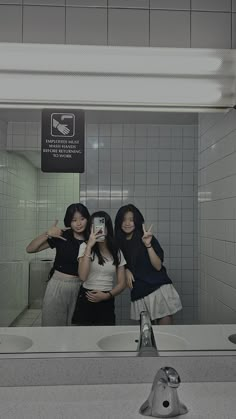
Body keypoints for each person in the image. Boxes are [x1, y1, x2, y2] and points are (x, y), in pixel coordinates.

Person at [114, 204, 182, 325]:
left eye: (131, 219)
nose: (127, 223)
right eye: (124, 220)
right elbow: (116, 260)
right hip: (139, 290)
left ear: (137, 221)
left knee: (165, 333)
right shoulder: (118, 241)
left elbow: (158, 266)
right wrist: (126, 269)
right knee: (147, 332)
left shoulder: (145, 237)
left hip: (157, 287)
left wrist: (148, 245)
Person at [26, 203, 90, 326]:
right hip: (57, 286)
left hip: (81, 288)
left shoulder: (91, 240)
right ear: (68, 221)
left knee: (76, 330)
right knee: (52, 327)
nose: (78, 223)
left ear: (87, 219)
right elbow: (30, 249)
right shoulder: (62, 235)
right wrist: (47, 234)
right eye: (74, 220)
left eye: (82, 219)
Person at [72, 211, 126, 326]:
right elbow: (82, 276)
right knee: (84, 338)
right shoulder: (85, 246)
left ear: (107, 228)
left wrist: (107, 295)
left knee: (106, 337)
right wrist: (89, 246)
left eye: (101, 225)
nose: (98, 229)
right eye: (94, 225)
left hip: (107, 298)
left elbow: (122, 283)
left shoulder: (117, 251)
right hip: (86, 297)